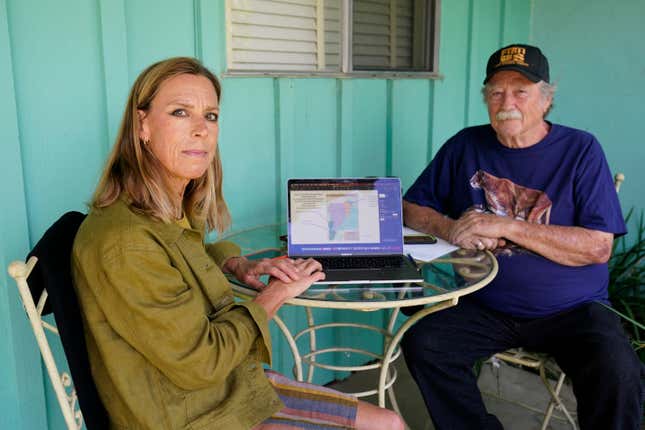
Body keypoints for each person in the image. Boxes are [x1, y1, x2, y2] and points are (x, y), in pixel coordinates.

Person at [72, 57, 404, 430]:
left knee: (388, 422)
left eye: (211, 116)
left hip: (230, 390)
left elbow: (183, 255)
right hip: (192, 415)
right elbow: (205, 361)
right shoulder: (127, 242)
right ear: (142, 124)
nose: (202, 130)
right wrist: (275, 294)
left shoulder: (159, 210)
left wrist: (237, 264)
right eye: (181, 112)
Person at [401, 44, 644, 429]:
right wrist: (452, 229)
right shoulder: (466, 145)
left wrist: (508, 226)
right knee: (424, 343)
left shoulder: (580, 149)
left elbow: (599, 247)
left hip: (574, 310)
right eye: (496, 91)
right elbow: (411, 208)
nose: (507, 101)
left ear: (545, 100)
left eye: (521, 91)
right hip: (485, 305)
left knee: (619, 370)